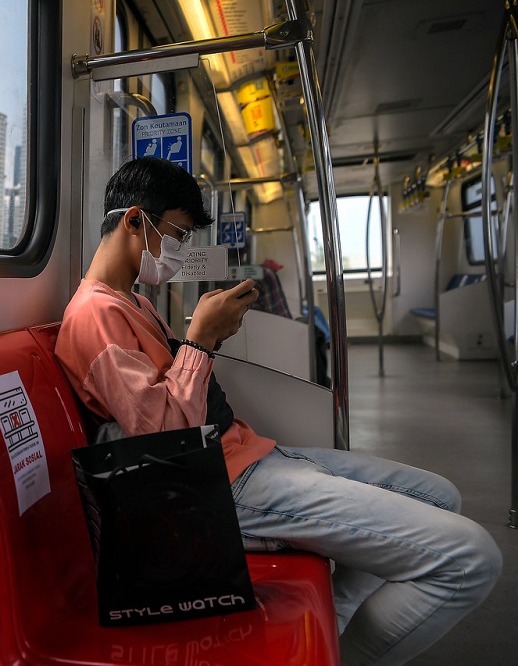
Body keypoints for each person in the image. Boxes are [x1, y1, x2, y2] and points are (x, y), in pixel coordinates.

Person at [55, 157, 502, 666]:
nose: (178, 252)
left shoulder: (135, 303)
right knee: (471, 558)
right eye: (176, 234)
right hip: (216, 487)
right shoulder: (93, 314)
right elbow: (166, 441)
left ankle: (332, 626)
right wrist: (200, 339)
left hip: (248, 455)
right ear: (136, 220)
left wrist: (210, 339)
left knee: (440, 495)